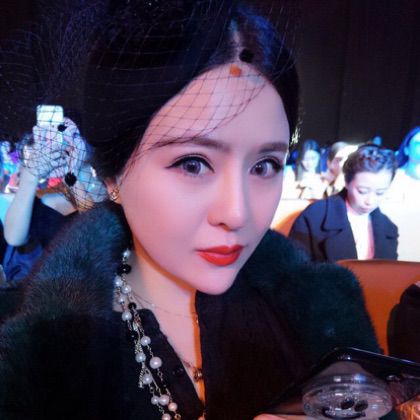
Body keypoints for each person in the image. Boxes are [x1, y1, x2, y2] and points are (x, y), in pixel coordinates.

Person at [0, 2, 381, 419]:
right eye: (193, 164)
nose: (237, 213)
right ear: (112, 176)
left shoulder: (325, 318)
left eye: (264, 166)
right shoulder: (41, 355)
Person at [2, 118, 106, 282]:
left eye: (70, 135)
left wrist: (74, 177)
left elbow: (99, 236)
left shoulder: (111, 194)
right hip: (36, 290)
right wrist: (30, 176)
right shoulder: (40, 199)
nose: (60, 145)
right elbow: (14, 238)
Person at [288, 144, 398, 263]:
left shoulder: (388, 228)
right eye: (362, 191)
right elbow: (294, 268)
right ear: (346, 182)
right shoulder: (314, 217)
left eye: (380, 193)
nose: (370, 201)